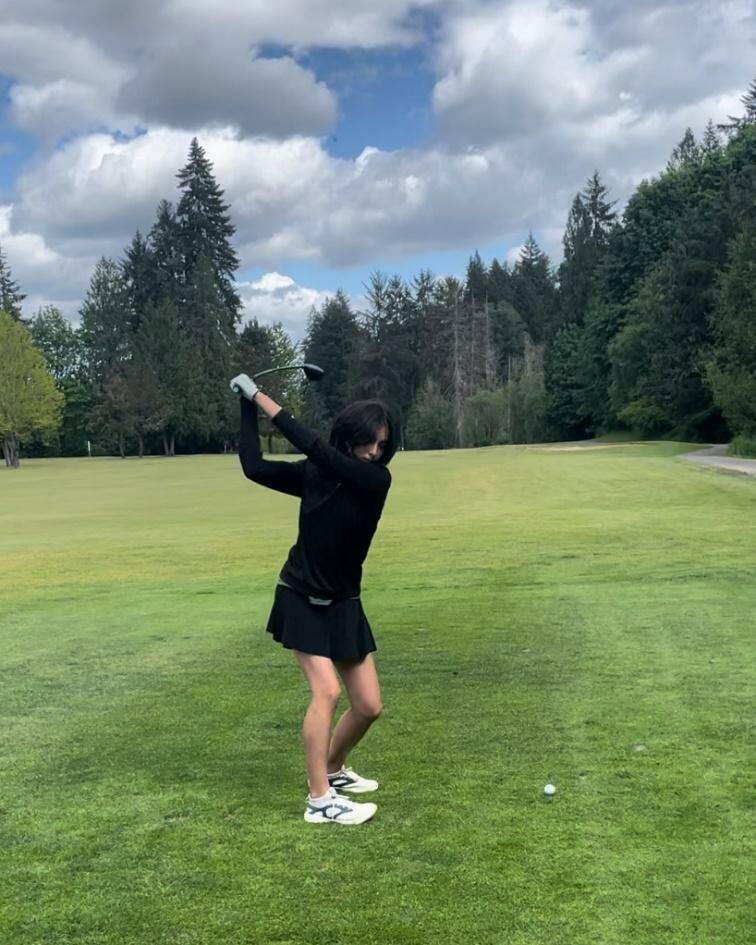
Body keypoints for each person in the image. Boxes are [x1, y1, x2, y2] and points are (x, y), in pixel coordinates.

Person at [230, 373, 397, 825]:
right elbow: (254, 467)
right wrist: (247, 409)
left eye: (381, 445)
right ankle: (319, 801)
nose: (374, 451)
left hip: (343, 602)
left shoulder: (374, 480)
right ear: (351, 437)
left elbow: (319, 449)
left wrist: (260, 396)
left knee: (368, 707)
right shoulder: (316, 474)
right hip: (301, 596)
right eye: (368, 442)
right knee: (326, 691)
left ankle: (334, 769)